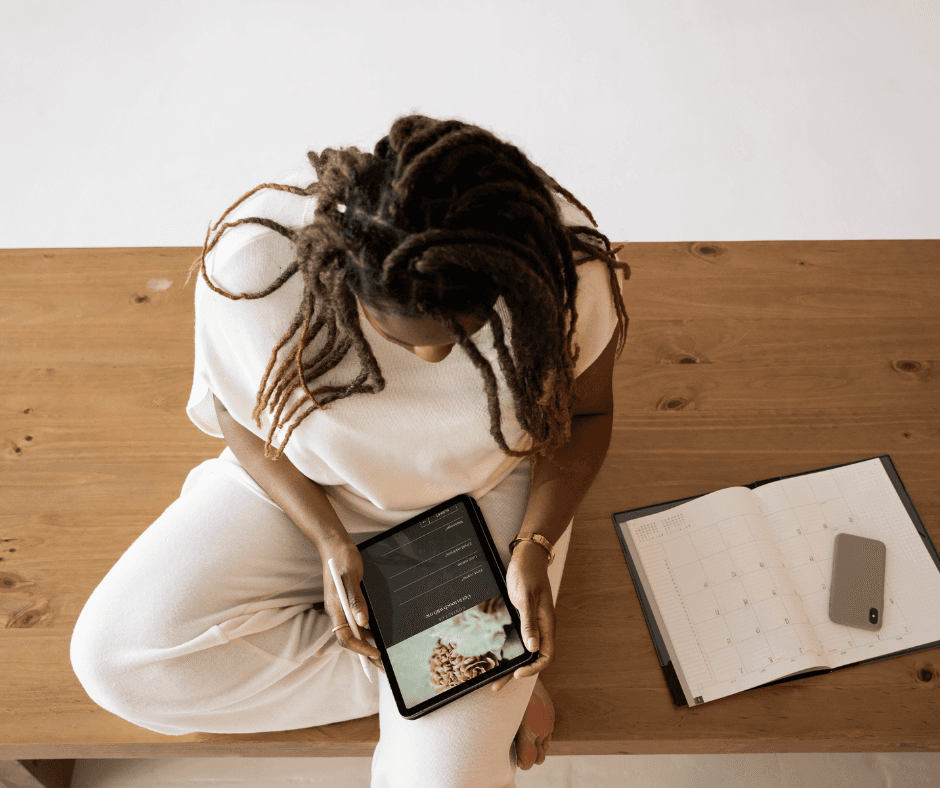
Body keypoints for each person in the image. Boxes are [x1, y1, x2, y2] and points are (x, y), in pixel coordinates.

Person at [69, 114, 629, 787]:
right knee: (118, 663)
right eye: (405, 334)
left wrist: (535, 543)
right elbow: (235, 412)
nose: (433, 356)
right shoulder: (254, 262)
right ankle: (455, 678)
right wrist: (329, 540)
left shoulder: (562, 268)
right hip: (312, 486)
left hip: (482, 504)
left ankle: (468, 684)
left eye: (463, 331)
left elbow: (587, 413)